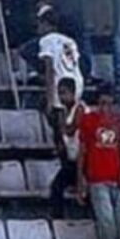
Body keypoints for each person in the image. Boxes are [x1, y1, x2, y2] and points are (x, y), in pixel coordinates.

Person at [77, 86, 120, 239]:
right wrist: (80, 180)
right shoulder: (89, 120)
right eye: (102, 103)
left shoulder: (119, 120)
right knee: (108, 227)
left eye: (109, 104)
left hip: (117, 179)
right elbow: (82, 152)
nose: (106, 108)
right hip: (97, 179)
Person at [34, 4, 82, 113]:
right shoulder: (70, 41)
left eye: (39, 24)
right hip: (77, 83)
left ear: (46, 24)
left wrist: (50, 99)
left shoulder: (46, 40)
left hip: (61, 84)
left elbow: (50, 69)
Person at [48, 78, 83, 219]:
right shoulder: (63, 111)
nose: (61, 97)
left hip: (82, 159)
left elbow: (71, 129)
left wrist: (61, 125)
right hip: (70, 159)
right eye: (59, 93)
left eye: (64, 93)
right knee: (56, 187)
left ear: (73, 93)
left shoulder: (80, 109)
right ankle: (58, 218)